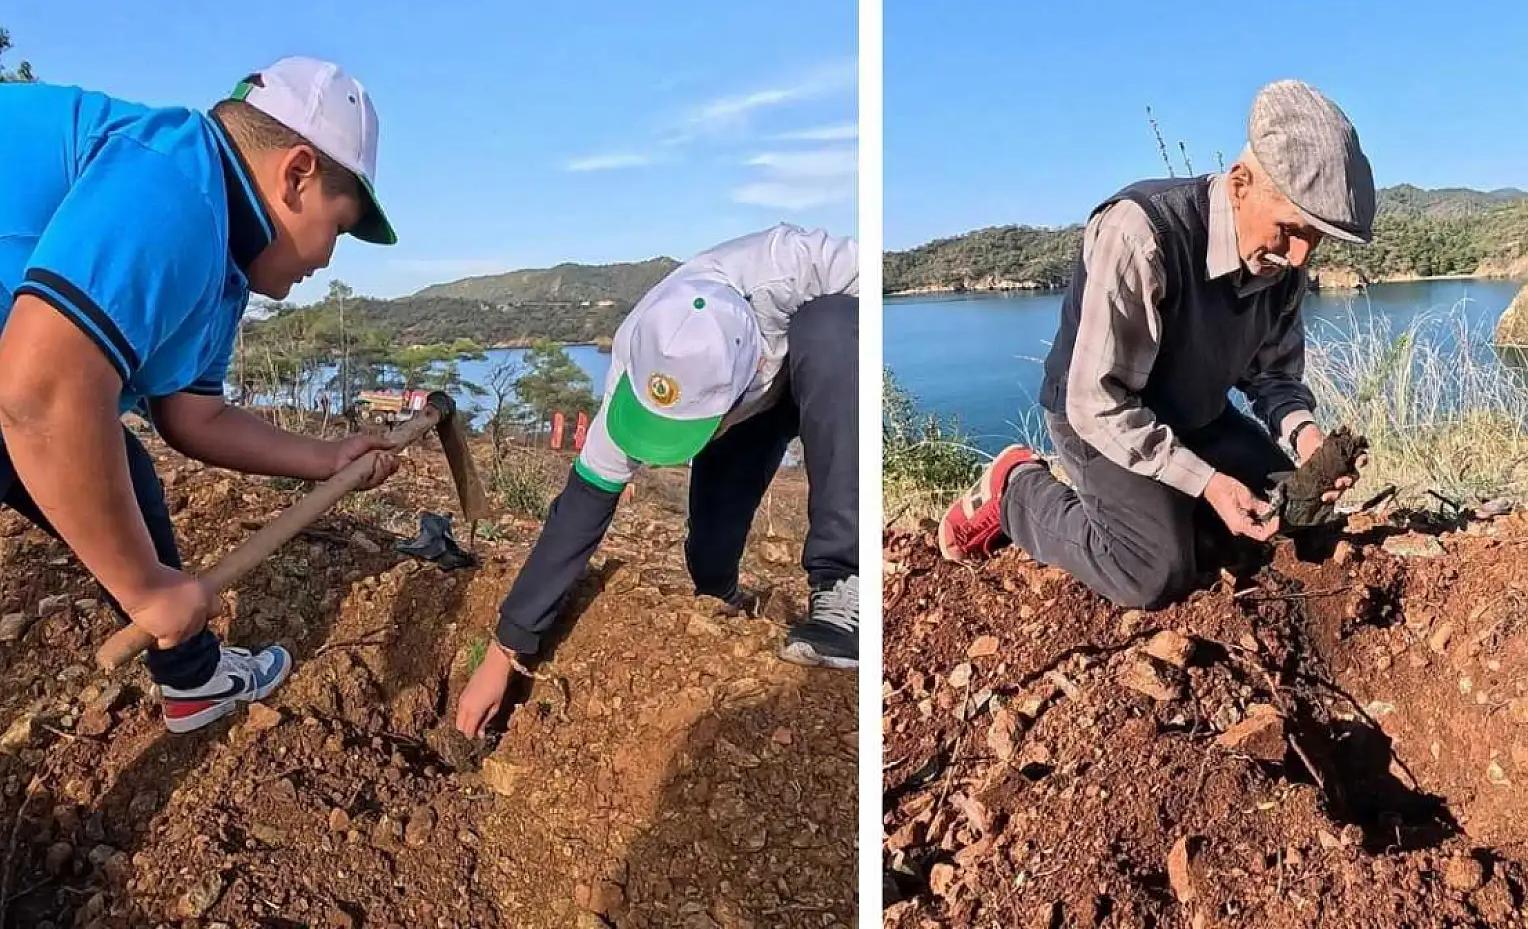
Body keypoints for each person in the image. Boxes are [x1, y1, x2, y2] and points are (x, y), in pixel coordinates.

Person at [0, 57, 401, 733]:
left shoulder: (224, 265)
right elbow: (42, 393)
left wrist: (329, 457)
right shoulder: (177, 181)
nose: (329, 257)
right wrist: (147, 589)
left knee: (118, 470)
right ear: (296, 173)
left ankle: (193, 680)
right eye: (338, 224)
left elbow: (195, 415)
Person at [940, 80, 1374, 609]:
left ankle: (1181, 511)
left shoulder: (1280, 263)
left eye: (1318, 236)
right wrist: (1209, 482)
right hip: (1097, 422)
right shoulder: (1141, 233)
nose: (1302, 255)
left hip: (1196, 416)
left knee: (1291, 518)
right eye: (1292, 229)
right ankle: (1016, 489)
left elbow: (1274, 377)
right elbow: (1096, 402)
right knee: (1152, 571)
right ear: (1240, 184)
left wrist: (1310, 444)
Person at [456, 224, 859, 738]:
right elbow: (578, 513)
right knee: (710, 564)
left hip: (819, 374)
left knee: (832, 324)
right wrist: (504, 651)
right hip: (744, 413)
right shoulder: (641, 354)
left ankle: (844, 580)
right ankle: (724, 591)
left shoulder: (796, 263)